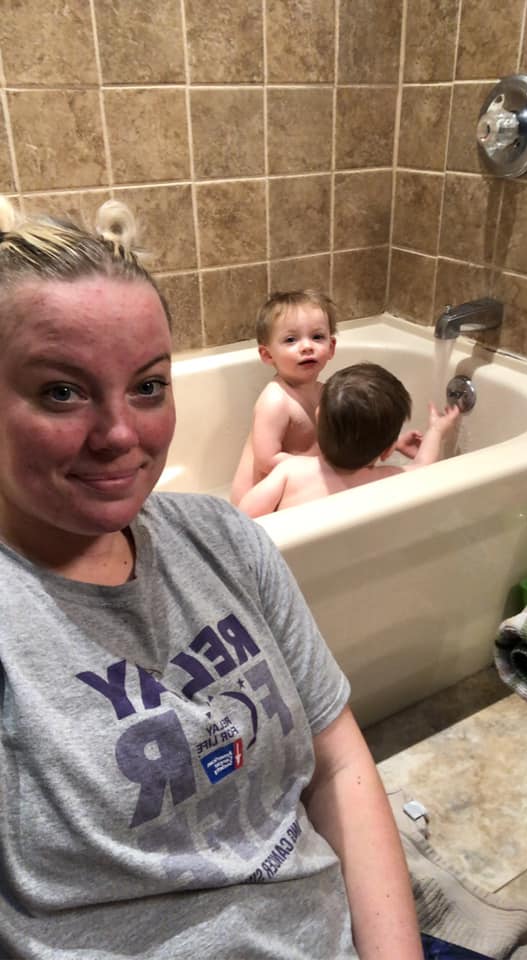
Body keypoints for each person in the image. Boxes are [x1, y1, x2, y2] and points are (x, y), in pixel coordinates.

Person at [0, 197, 423, 960]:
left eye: (149, 385)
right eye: (62, 390)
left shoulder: (226, 538)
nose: (122, 434)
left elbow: (339, 760)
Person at [230, 290, 422, 506]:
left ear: (331, 347)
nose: (307, 346)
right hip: (258, 499)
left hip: (297, 488)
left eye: (317, 337)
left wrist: (388, 444)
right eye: (291, 339)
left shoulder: (327, 391)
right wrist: (322, 469)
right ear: (267, 355)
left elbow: (344, 438)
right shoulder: (275, 400)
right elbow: (267, 461)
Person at [239, 363, 460, 518]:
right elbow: (423, 466)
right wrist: (436, 431)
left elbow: (244, 516)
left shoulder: (290, 472)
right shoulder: (386, 478)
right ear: (387, 451)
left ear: (318, 419)